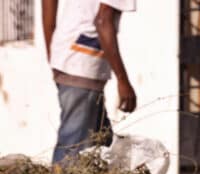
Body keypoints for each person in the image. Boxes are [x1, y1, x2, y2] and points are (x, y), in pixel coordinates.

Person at [43, 0, 137, 164]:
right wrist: (123, 82)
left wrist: (53, 49)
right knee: (72, 149)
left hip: (69, 58)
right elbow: (103, 21)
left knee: (102, 143)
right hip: (81, 65)